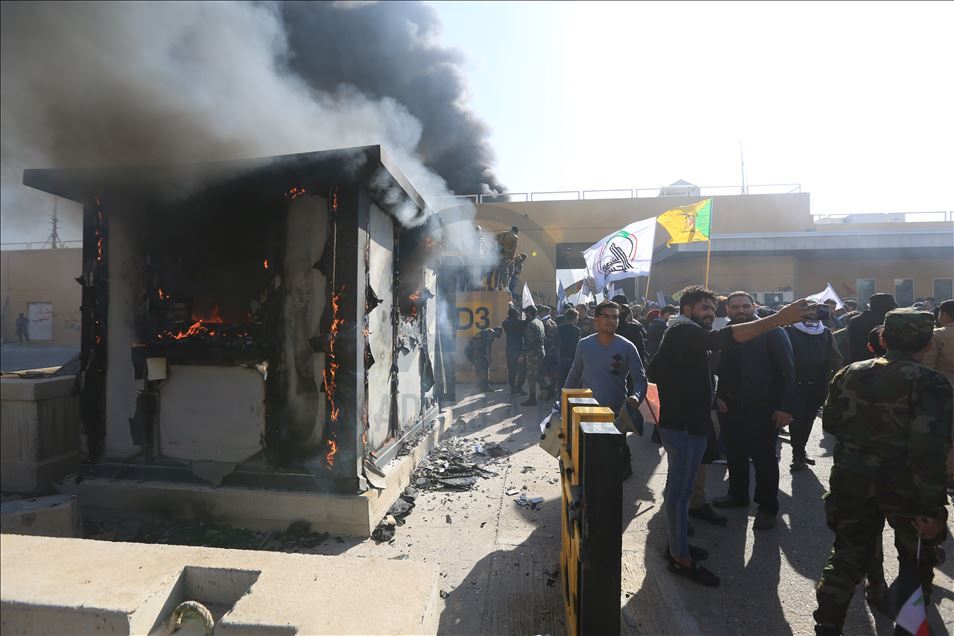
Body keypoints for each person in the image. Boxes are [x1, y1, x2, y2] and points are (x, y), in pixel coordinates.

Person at [647, 286, 816, 587]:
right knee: (679, 493)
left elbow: (660, 369)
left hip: (709, 419)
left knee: (685, 489)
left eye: (713, 308)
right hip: (685, 427)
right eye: (703, 307)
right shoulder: (684, 331)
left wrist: (706, 397)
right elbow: (720, 341)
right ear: (686, 309)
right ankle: (680, 558)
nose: (711, 313)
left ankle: (677, 546)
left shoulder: (682, 333)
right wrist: (779, 317)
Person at [813, 309, 952, 636]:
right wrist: (933, 509)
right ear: (930, 342)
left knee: (847, 556)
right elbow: (929, 449)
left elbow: (831, 423)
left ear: (884, 339)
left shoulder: (849, 372)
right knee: (915, 563)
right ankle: (906, 629)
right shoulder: (930, 382)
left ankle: (827, 627)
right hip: (907, 487)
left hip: (852, 479)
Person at [712, 291, 796, 531]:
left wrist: (784, 408)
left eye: (745, 306)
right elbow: (716, 370)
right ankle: (737, 495)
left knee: (764, 458)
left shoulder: (773, 332)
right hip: (730, 407)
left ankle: (767, 507)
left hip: (763, 408)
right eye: (735, 307)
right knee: (735, 454)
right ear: (727, 309)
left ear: (753, 306)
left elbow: (788, 371)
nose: (741, 311)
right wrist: (717, 397)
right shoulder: (723, 334)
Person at [564, 300, 647, 480]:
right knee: (592, 454)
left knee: (616, 451)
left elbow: (640, 379)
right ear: (596, 320)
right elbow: (574, 374)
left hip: (617, 410)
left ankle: (624, 465)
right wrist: (562, 401)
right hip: (588, 409)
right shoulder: (584, 345)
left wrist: (636, 396)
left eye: (615, 317)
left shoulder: (627, 347)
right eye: (606, 316)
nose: (611, 321)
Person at [784, 305, 842, 472]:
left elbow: (835, 358)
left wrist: (835, 379)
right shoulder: (789, 331)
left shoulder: (825, 333)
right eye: (809, 312)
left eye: (815, 313)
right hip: (795, 384)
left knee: (808, 419)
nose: (812, 316)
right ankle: (798, 454)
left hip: (817, 385)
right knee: (797, 419)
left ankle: (800, 450)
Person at [846, 293, 897, 363]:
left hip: (858, 364)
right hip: (883, 363)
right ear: (885, 307)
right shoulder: (886, 321)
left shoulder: (854, 320)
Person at [520, 305, 546, 406]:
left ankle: (532, 398)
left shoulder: (531, 325)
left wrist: (522, 354)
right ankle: (546, 391)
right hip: (541, 352)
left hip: (533, 354)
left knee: (531, 376)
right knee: (539, 374)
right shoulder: (539, 322)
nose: (525, 314)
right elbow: (544, 337)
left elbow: (529, 342)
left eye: (526, 312)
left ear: (530, 313)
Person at [465, 326, 502, 392]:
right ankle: (484, 387)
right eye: (498, 335)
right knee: (484, 367)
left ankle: (479, 383)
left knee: (479, 367)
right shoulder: (492, 332)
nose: (495, 337)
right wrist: (488, 357)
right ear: (497, 332)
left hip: (468, 351)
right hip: (475, 351)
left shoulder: (486, 331)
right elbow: (488, 346)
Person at [502, 307, 527, 395]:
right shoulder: (520, 323)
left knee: (512, 370)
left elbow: (505, 321)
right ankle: (519, 387)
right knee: (523, 370)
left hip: (510, 349)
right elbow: (527, 321)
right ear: (516, 315)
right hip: (520, 349)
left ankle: (512, 388)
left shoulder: (505, 323)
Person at [556, 307, 581, 393]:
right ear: (574, 318)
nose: (578, 319)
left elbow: (555, 342)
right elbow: (577, 345)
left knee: (561, 380)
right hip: (573, 358)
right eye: (577, 317)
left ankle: (560, 398)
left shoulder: (559, 328)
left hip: (561, 356)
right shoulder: (577, 330)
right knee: (572, 380)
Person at [539, 305, 560, 400]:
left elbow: (542, 338)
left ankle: (547, 392)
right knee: (552, 373)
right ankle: (552, 390)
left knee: (543, 373)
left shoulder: (543, 323)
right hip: (553, 351)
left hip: (545, 351)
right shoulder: (553, 322)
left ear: (543, 312)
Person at [492, 226, 519, 291]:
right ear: (516, 231)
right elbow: (514, 249)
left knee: (497, 271)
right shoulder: (515, 237)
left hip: (498, 255)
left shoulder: (502, 233)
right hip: (506, 256)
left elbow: (494, 238)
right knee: (505, 271)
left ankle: (496, 286)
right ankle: (505, 286)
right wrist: (511, 257)